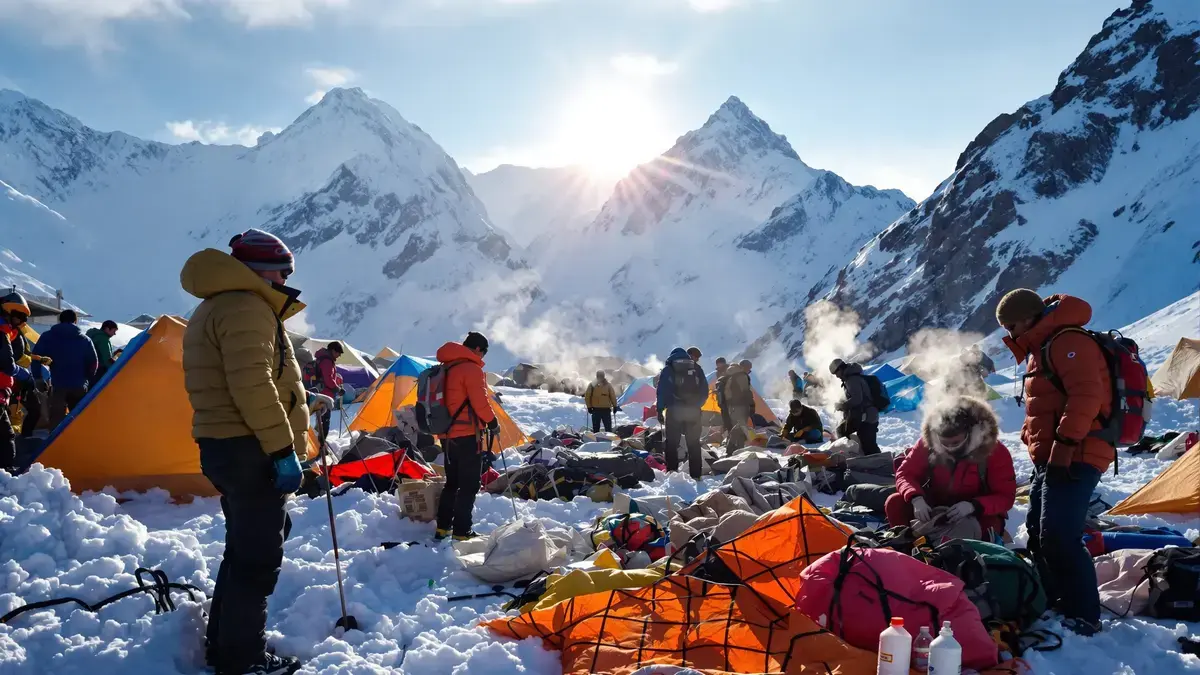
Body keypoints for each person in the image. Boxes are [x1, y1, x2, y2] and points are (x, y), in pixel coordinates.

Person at [181, 229, 310, 675]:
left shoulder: (217, 304)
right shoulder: (246, 307)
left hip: (227, 445)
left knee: (242, 550)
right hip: (249, 448)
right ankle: (243, 661)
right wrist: (281, 450)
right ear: (260, 270)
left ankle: (225, 645)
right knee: (256, 560)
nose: (286, 280)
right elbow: (252, 385)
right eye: (283, 271)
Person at [997, 289, 1111, 636]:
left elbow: (1086, 397)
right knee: (1038, 530)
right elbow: (1045, 404)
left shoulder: (1066, 341)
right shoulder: (1041, 348)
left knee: (1060, 534)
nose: (1010, 334)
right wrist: (1033, 443)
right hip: (1052, 458)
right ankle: (1054, 599)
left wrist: (1063, 446)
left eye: (1012, 325)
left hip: (1076, 454)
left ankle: (1085, 614)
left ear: (1030, 317)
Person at [886, 396, 1016, 543]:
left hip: (978, 512)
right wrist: (916, 498)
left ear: (971, 432)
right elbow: (905, 474)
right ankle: (908, 548)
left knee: (986, 530)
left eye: (955, 442)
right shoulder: (927, 443)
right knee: (895, 502)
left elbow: (1005, 497)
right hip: (936, 506)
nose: (949, 448)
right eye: (944, 443)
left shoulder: (994, 451)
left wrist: (973, 506)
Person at [433, 331, 498, 542]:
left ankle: (443, 527)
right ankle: (462, 531)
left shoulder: (446, 366)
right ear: (478, 349)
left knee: (452, 482)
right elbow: (480, 402)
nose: (483, 357)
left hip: (446, 433)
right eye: (484, 352)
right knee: (469, 485)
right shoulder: (471, 369)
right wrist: (492, 422)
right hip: (467, 434)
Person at [33, 310, 98, 430]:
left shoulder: (47, 337)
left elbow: (35, 358)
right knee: (79, 418)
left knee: (56, 420)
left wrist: (38, 378)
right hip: (79, 385)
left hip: (58, 385)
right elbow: (93, 363)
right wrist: (87, 379)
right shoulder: (85, 340)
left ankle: (55, 447)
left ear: (60, 320)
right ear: (75, 321)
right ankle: (79, 444)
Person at [656, 347, 707, 479]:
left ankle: (672, 473)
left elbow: (662, 391)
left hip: (674, 411)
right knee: (694, 443)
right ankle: (696, 475)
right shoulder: (696, 368)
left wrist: (660, 410)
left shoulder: (668, 369)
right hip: (693, 412)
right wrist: (696, 405)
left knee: (672, 443)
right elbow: (704, 391)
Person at [0, 293, 33, 472]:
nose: (21, 322)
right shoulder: (2, 332)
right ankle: (6, 473)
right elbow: (6, 363)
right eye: (19, 317)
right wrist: (25, 375)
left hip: (3, 392)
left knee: (6, 434)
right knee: (5, 435)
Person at [830, 358, 880, 455]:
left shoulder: (852, 379)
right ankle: (867, 460)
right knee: (866, 442)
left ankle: (881, 463)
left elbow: (857, 399)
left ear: (840, 369)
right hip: (867, 414)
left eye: (836, 373)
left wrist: (842, 406)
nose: (836, 376)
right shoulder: (853, 377)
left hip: (866, 415)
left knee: (868, 444)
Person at [309, 341, 344, 438]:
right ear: (333, 351)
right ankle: (321, 446)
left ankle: (319, 445)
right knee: (324, 422)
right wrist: (338, 389)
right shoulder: (327, 361)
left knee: (320, 422)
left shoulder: (323, 359)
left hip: (321, 394)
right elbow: (328, 379)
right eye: (338, 353)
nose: (339, 355)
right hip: (325, 396)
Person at [723, 359, 755, 453]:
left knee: (738, 427)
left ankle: (737, 448)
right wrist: (752, 404)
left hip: (732, 405)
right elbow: (746, 391)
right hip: (741, 405)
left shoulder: (733, 375)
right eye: (749, 369)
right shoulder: (742, 376)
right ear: (745, 367)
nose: (749, 372)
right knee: (740, 427)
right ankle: (732, 448)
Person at [713, 357, 732, 433]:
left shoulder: (729, 371)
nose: (718, 365)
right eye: (718, 364)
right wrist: (717, 391)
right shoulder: (718, 372)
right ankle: (727, 432)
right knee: (725, 416)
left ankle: (731, 433)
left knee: (729, 417)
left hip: (728, 399)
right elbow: (719, 385)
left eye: (720, 363)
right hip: (721, 399)